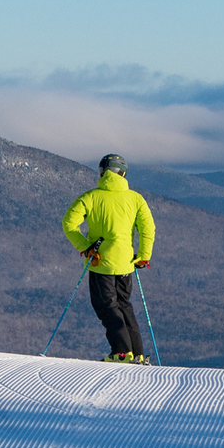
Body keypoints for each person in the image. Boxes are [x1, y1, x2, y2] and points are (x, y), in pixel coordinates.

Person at [62, 153, 156, 363]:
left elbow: (69, 223)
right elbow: (148, 229)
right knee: (124, 304)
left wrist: (86, 248)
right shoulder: (136, 199)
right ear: (122, 173)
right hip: (126, 263)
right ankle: (137, 354)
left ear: (104, 172)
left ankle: (122, 353)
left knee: (107, 306)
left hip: (99, 262)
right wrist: (143, 256)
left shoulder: (91, 197)